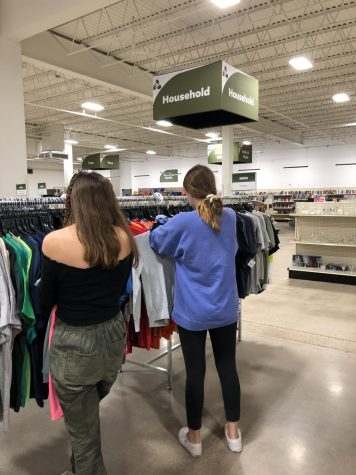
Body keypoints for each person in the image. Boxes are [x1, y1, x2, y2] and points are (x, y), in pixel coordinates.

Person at [40, 172, 138, 475]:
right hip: (112, 337)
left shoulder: (54, 242)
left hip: (74, 345)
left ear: (73, 200)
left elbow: (45, 303)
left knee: (84, 440)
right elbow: (121, 289)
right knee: (84, 420)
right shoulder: (124, 238)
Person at [150, 164, 241, 457]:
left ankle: (195, 439)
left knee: (195, 373)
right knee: (228, 367)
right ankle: (233, 433)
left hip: (193, 313)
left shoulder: (182, 222)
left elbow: (157, 242)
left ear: (187, 193)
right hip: (225, 308)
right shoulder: (231, 217)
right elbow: (232, 251)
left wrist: (159, 224)